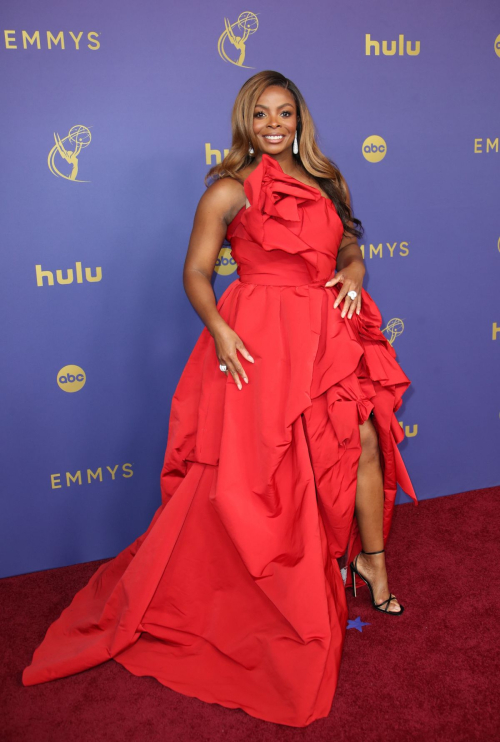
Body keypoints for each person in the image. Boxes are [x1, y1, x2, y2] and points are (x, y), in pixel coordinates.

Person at [22, 70, 417, 728]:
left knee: (364, 441)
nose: (273, 123)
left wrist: (351, 268)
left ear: (299, 118)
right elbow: (196, 272)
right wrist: (220, 329)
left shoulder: (329, 179)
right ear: (244, 119)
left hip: (325, 336)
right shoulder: (228, 191)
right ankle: (280, 583)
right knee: (271, 470)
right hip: (256, 343)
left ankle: (372, 568)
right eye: (261, 113)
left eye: (284, 112)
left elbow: (347, 239)